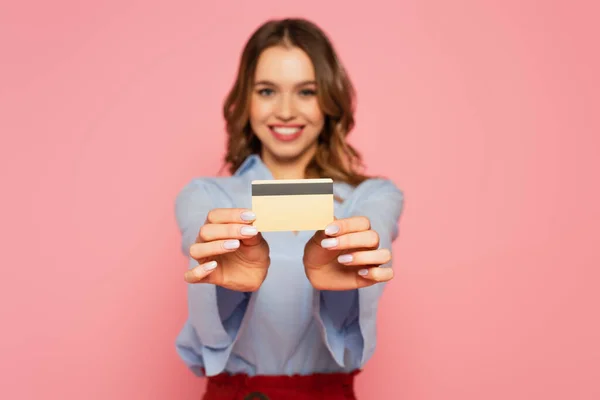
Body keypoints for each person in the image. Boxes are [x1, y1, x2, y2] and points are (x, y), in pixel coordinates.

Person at [174, 17, 404, 400]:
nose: (284, 111)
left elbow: (375, 232)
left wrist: (352, 258)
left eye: (306, 92)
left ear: (330, 100)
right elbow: (198, 239)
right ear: (245, 99)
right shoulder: (208, 196)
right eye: (267, 91)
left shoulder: (371, 197)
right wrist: (221, 273)